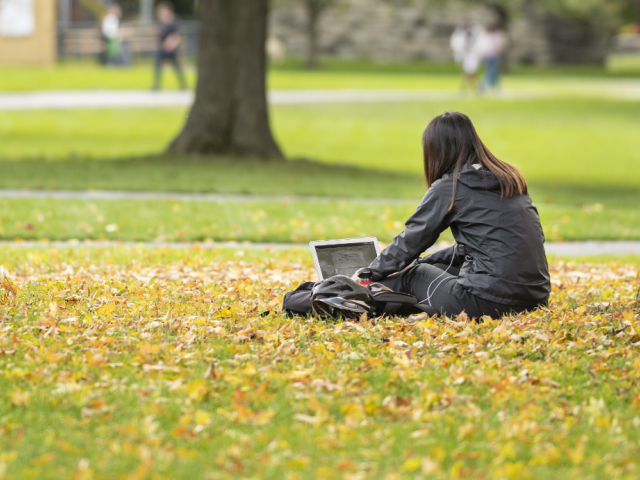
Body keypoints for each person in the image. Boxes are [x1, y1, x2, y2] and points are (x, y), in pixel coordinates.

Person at [354, 111, 550, 319]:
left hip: (488, 302)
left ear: (435, 150)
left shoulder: (452, 186)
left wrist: (369, 273)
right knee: (432, 267)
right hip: (535, 299)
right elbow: (477, 245)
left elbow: (412, 240)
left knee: (413, 276)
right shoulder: (509, 179)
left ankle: (350, 292)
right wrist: (423, 261)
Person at [152, 2, 187, 90]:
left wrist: (171, 44)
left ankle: (183, 85)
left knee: (177, 67)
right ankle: (157, 85)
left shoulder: (174, 20)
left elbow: (177, 35)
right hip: (162, 48)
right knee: (158, 65)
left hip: (172, 48)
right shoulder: (162, 22)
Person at [475, 23, 508, 92]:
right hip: (487, 56)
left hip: (494, 55)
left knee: (494, 72)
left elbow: (502, 44)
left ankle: (495, 87)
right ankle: (483, 85)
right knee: (491, 71)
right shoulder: (484, 35)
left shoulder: (497, 35)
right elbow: (481, 47)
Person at [450, 20, 481, 90]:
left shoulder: (474, 33)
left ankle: (474, 85)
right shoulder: (459, 34)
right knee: (465, 71)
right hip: (464, 54)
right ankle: (466, 86)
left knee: (471, 71)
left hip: (472, 54)